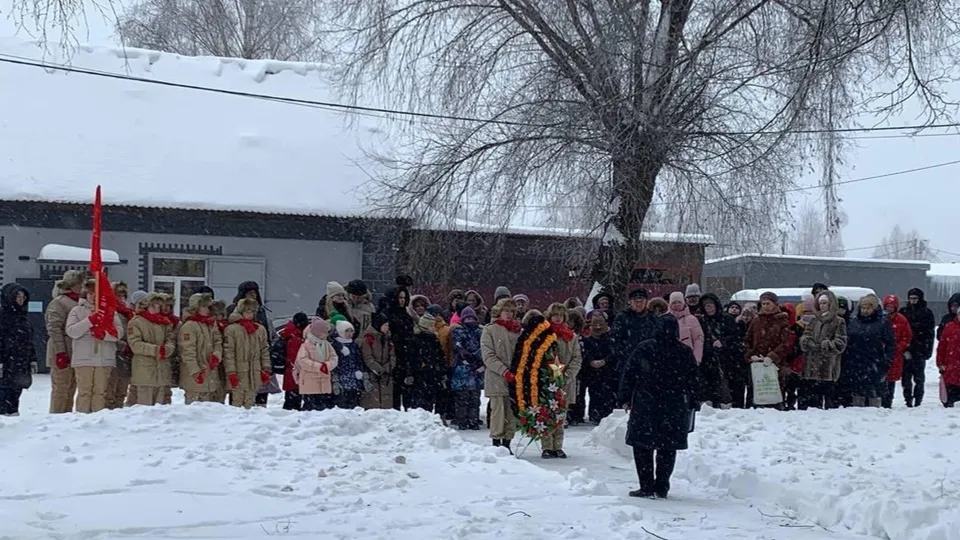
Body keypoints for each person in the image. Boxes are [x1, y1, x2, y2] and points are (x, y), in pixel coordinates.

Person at [619, 315, 699, 499]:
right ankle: (662, 486)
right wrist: (694, 401)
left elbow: (629, 373)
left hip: (646, 403)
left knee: (642, 446)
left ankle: (646, 486)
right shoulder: (684, 351)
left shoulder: (645, 348)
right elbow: (693, 379)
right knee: (667, 448)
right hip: (674, 405)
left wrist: (625, 397)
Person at [65, 279, 125, 413]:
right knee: (84, 391)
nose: (92, 296)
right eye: (90, 293)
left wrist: (104, 334)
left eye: (96, 293)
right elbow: (71, 331)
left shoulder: (110, 311)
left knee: (100, 391)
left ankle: (98, 418)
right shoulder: (77, 310)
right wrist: (90, 321)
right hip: (83, 358)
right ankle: (82, 418)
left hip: (104, 358)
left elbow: (119, 332)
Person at [541, 303, 583, 459]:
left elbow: (577, 358)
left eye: (561, 315)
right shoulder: (543, 335)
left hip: (565, 381)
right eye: (555, 315)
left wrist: (567, 375)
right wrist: (548, 373)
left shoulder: (571, 337)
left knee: (560, 414)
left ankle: (558, 445)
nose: (558, 318)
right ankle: (547, 446)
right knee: (546, 413)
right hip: (548, 379)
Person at [481, 298, 522, 454]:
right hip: (496, 376)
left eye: (512, 311)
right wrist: (504, 370)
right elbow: (488, 355)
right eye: (506, 310)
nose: (509, 314)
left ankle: (507, 442)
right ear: (499, 311)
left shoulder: (518, 331)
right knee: (498, 410)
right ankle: (496, 442)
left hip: (515, 377)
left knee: (512, 411)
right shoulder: (490, 330)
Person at [226, 281, 275, 406]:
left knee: (255, 398)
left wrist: (266, 367)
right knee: (237, 399)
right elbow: (229, 350)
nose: (252, 295)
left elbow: (265, 345)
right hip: (239, 363)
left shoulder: (260, 315)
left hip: (255, 363)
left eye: (254, 292)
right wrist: (231, 371)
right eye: (249, 293)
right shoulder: (233, 316)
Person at [799, 291, 848, 409]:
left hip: (828, 366)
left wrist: (827, 345)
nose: (822, 305)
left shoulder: (838, 321)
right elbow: (805, 335)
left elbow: (841, 342)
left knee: (829, 401)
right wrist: (807, 342)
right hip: (811, 366)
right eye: (820, 303)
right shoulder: (813, 320)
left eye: (825, 303)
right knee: (812, 402)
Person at [844, 294, 895, 407]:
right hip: (855, 364)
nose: (865, 310)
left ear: (874, 308)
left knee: (874, 395)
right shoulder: (853, 322)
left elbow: (890, 344)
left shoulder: (882, 323)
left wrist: (887, 361)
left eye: (868, 308)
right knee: (857, 395)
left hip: (875, 363)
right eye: (863, 308)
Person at [744, 292, 792, 408]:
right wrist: (750, 355)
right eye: (763, 303)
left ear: (775, 304)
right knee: (756, 394)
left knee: (774, 393)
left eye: (768, 303)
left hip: (776, 365)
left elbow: (785, 343)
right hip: (757, 364)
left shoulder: (782, 321)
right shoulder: (756, 321)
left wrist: (772, 356)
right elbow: (747, 340)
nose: (765, 306)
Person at [46, 269, 84, 414]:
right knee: (60, 389)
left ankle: (66, 416)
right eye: (79, 284)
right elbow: (54, 329)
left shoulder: (79, 302)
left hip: (75, 351)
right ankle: (56, 415)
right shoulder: (59, 303)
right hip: (61, 351)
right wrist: (60, 351)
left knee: (71, 388)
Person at [128, 293, 177, 406]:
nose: (156, 309)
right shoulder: (136, 322)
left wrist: (167, 349)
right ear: (146, 306)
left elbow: (171, 340)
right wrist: (155, 350)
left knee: (161, 406)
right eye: (153, 306)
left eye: (158, 307)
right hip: (144, 371)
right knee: (144, 406)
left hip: (162, 370)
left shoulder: (164, 323)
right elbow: (135, 344)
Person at [178, 293, 224, 404]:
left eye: (209, 306)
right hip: (195, 377)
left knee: (209, 409)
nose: (207, 309)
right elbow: (187, 352)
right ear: (196, 308)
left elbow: (218, 341)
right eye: (204, 306)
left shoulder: (211, 324)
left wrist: (216, 355)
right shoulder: (189, 326)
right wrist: (195, 371)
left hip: (210, 375)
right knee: (194, 408)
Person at [0, 283, 36, 416]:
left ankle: (13, 414)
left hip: (21, 361)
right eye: (17, 297)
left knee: (16, 390)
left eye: (23, 297)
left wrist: (33, 359)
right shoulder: (3, 316)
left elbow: (29, 340)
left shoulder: (23, 317)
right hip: (6, 362)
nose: (21, 300)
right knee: (4, 391)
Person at [699, 294, 738, 408]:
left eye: (711, 306)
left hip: (725, 358)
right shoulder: (702, 321)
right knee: (707, 383)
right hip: (707, 357)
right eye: (706, 306)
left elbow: (735, 336)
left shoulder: (727, 319)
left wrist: (723, 342)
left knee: (723, 383)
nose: (709, 309)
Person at [611, 289, 660, 375]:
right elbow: (614, 340)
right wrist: (625, 356)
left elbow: (658, 340)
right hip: (625, 364)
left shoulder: (653, 318)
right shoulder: (622, 317)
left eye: (641, 301)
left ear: (646, 302)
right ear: (630, 302)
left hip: (648, 363)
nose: (638, 304)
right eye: (635, 301)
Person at [900, 288, 935, 407]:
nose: (913, 301)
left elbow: (930, 334)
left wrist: (927, 350)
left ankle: (918, 400)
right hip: (907, 349)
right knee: (906, 377)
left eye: (915, 298)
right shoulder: (904, 311)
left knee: (919, 378)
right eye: (911, 298)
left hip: (920, 349)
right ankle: (908, 399)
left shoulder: (927, 313)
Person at [405, 312, 447, 412]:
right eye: (432, 325)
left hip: (431, 374)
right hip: (421, 374)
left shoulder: (433, 339)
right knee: (422, 400)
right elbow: (411, 358)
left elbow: (440, 356)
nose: (434, 328)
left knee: (432, 398)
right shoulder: (416, 340)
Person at [579, 310, 615, 423]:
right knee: (593, 392)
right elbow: (585, 353)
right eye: (595, 324)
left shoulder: (610, 337)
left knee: (607, 392)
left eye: (600, 324)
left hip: (607, 370)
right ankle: (594, 413)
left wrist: (605, 361)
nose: (598, 327)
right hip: (592, 371)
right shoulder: (587, 338)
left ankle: (606, 413)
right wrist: (590, 361)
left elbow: (614, 352)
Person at [451, 306, 484, 430]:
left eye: (472, 318)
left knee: (475, 398)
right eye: (467, 318)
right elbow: (458, 347)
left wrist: (478, 359)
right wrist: (468, 358)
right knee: (462, 398)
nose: (470, 320)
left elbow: (484, 347)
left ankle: (473, 419)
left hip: (476, 370)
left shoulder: (480, 332)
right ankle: (462, 420)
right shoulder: (458, 331)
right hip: (462, 370)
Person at [294, 319, 338, 412]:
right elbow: (302, 360)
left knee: (323, 406)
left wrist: (327, 365)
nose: (326, 334)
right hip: (309, 381)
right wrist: (318, 367)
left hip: (324, 380)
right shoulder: (306, 344)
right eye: (324, 332)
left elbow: (334, 357)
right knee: (310, 407)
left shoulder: (327, 344)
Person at [383, 285, 414, 410]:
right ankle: (395, 412)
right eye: (399, 297)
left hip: (406, 353)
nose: (401, 300)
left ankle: (407, 412)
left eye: (404, 298)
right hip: (393, 352)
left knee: (406, 386)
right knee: (394, 388)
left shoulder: (407, 315)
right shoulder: (387, 314)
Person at [105, 281, 134, 409]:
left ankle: (119, 410)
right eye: (118, 295)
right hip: (114, 353)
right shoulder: (109, 310)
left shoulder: (128, 312)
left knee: (122, 389)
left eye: (123, 295)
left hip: (127, 354)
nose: (121, 298)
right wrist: (120, 344)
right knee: (111, 387)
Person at [359, 312, 397, 410]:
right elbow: (367, 356)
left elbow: (392, 356)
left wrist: (388, 367)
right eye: (385, 325)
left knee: (386, 399)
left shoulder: (388, 339)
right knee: (373, 400)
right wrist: (378, 369)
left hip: (386, 375)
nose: (387, 327)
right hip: (373, 374)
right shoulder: (368, 339)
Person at [881, 295, 913, 408]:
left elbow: (907, 337)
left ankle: (888, 401)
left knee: (891, 379)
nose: (889, 309)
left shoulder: (902, 320)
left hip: (895, 355)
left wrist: (898, 348)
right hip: (880, 354)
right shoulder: (879, 318)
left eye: (891, 306)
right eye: (887, 306)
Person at [274, 312, 310, 410]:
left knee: (292, 399)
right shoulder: (299, 336)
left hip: (291, 371)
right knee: (300, 398)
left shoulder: (289, 334)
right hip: (299, 370)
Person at [332, 320, 364, 409]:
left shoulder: (354, 344)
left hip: (353, 376)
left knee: (353, 399)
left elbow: (358, 359)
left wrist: (359, 370)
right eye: (347, 331)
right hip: (341, 375)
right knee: (342, 400)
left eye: (351, 331)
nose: (349, 334)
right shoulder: (336, 345)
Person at [668, 292, 704, 364]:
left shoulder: (692, 319)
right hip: (669, 359)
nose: (677, 305)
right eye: (674, 302)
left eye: (679, 302)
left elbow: (698, 339)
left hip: (687, 359)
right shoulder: (665, 319)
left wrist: (696, 358)